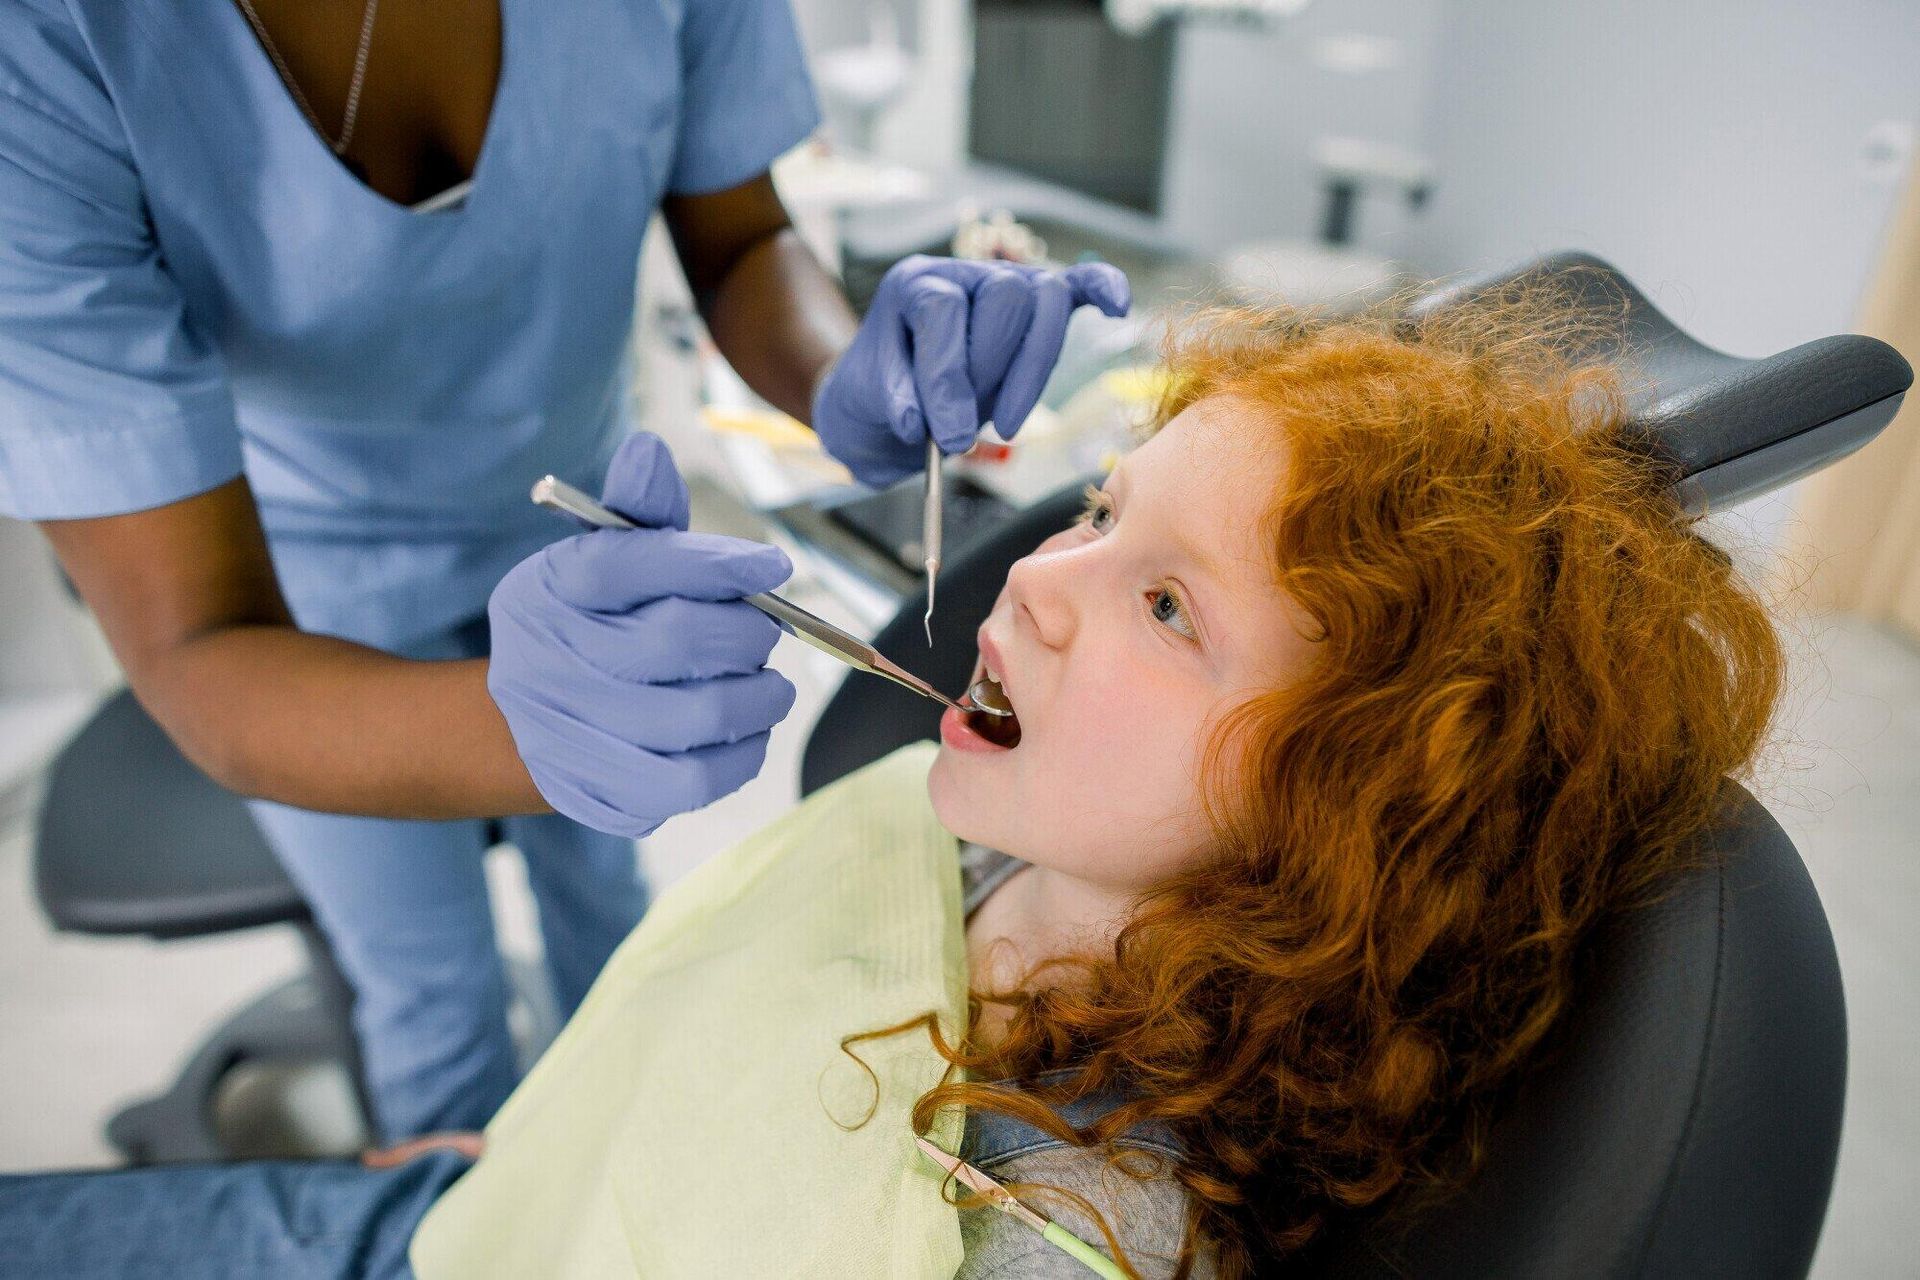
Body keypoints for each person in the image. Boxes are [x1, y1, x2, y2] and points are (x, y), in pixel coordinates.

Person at [0, 287, 1786, 1278]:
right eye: (1099, 511)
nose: (1025, 579)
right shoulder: (1001, 865)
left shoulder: (1047, 1239)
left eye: (1166, 601)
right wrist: (546, 1159)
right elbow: (732, 1074)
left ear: (1362, 807)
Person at [0, 0, 1128, 1139]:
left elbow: (738, 235)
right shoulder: (46, 50)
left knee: (611, 920)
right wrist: (519, 726)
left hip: (600, 528)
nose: (1032, 581)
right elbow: (196, 647)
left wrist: (846, 374)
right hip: (303, 614)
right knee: (430, 989)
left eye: (1161, 589)